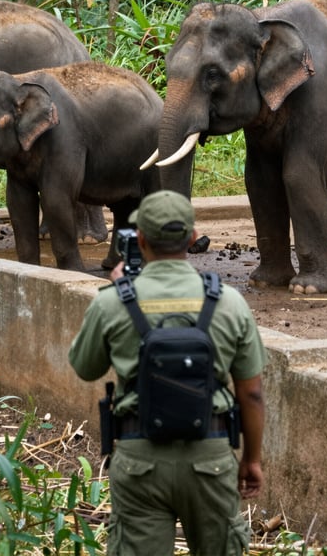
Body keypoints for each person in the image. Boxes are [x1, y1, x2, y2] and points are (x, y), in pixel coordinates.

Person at [69, 190, 266, 556]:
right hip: (210, 456)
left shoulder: (113, 302)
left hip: (139, 458)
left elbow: (85, 366)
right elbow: (251, 394)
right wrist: (251, 460)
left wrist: (117, 291)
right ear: (192, 239)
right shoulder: (228, 302)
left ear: (140, 238)